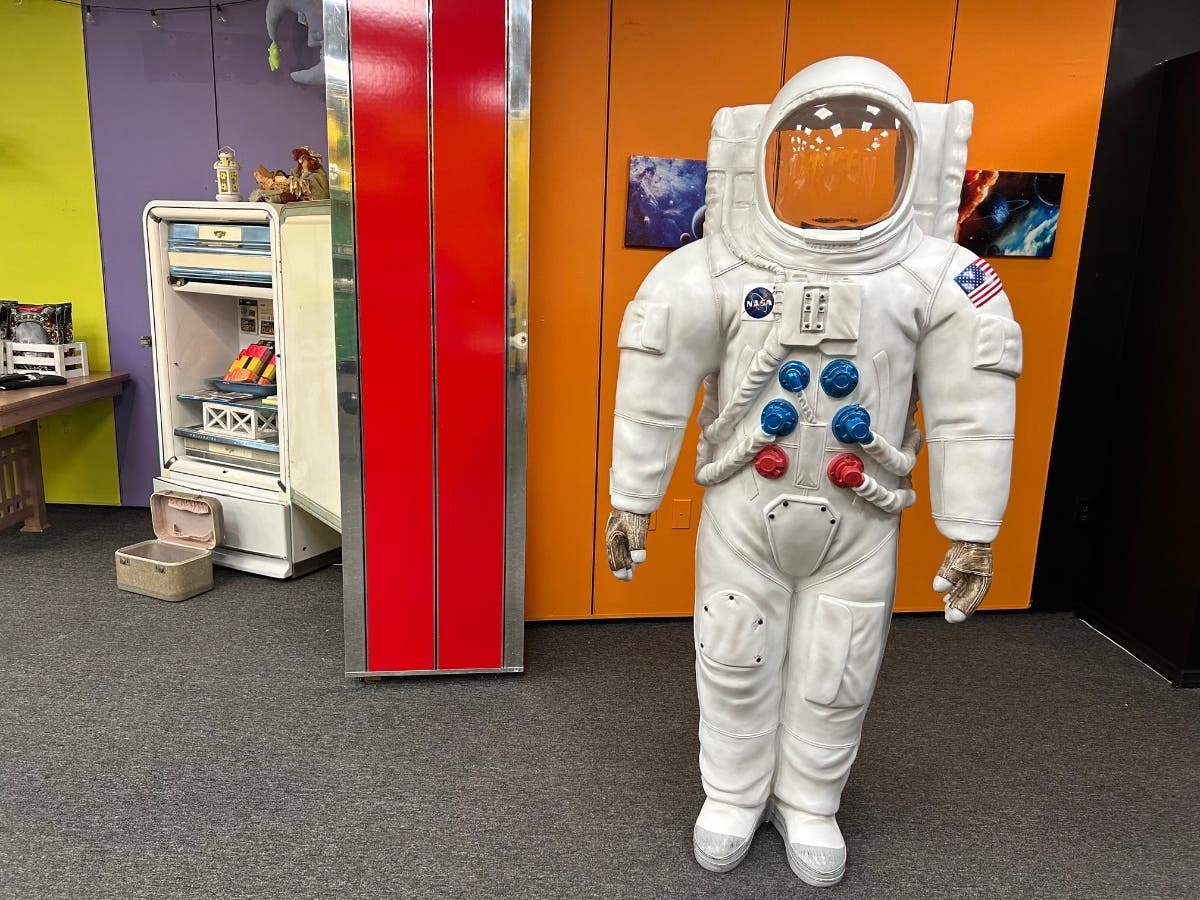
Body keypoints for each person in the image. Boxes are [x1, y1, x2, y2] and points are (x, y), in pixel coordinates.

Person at [604, 56, 1022, 887]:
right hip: (741, 512)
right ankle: (729, 795)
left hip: (861, 523)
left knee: (841, 665)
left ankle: (811, 803)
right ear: (770, 152)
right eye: (813, 148)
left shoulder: (938, 278)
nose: (838, 168)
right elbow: (651, 384)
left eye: (869, 150)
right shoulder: (713, 270)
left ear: (908, 157)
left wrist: (972, 532)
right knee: (731, 653)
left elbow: (973, 409)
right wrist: (632, 499)